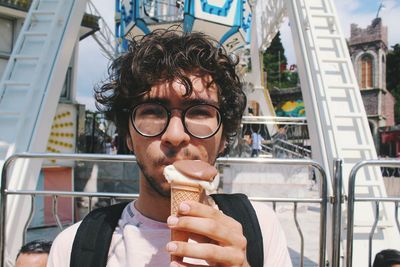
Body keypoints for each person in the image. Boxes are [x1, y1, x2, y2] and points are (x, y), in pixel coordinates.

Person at [48, 29, 292, 266]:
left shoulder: (260, 228)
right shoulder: (72, 248)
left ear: (224, 135)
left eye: (199, 112)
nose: (175, 136)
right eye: (152, 111)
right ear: (128, 136)